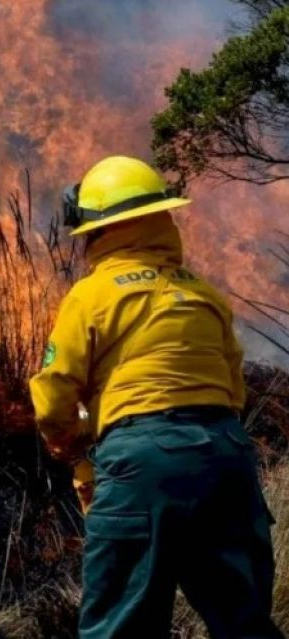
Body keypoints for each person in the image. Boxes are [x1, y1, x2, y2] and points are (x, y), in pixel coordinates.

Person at [31, 155, 282, 638]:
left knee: (120, 626)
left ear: (99, 232)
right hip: (226, 455)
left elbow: (55, 385)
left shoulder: (91, 294)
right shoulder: (204, 294)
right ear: (163, 220)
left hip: (143, 462)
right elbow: (234, 388)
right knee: (243, 621)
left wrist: (65, 438)